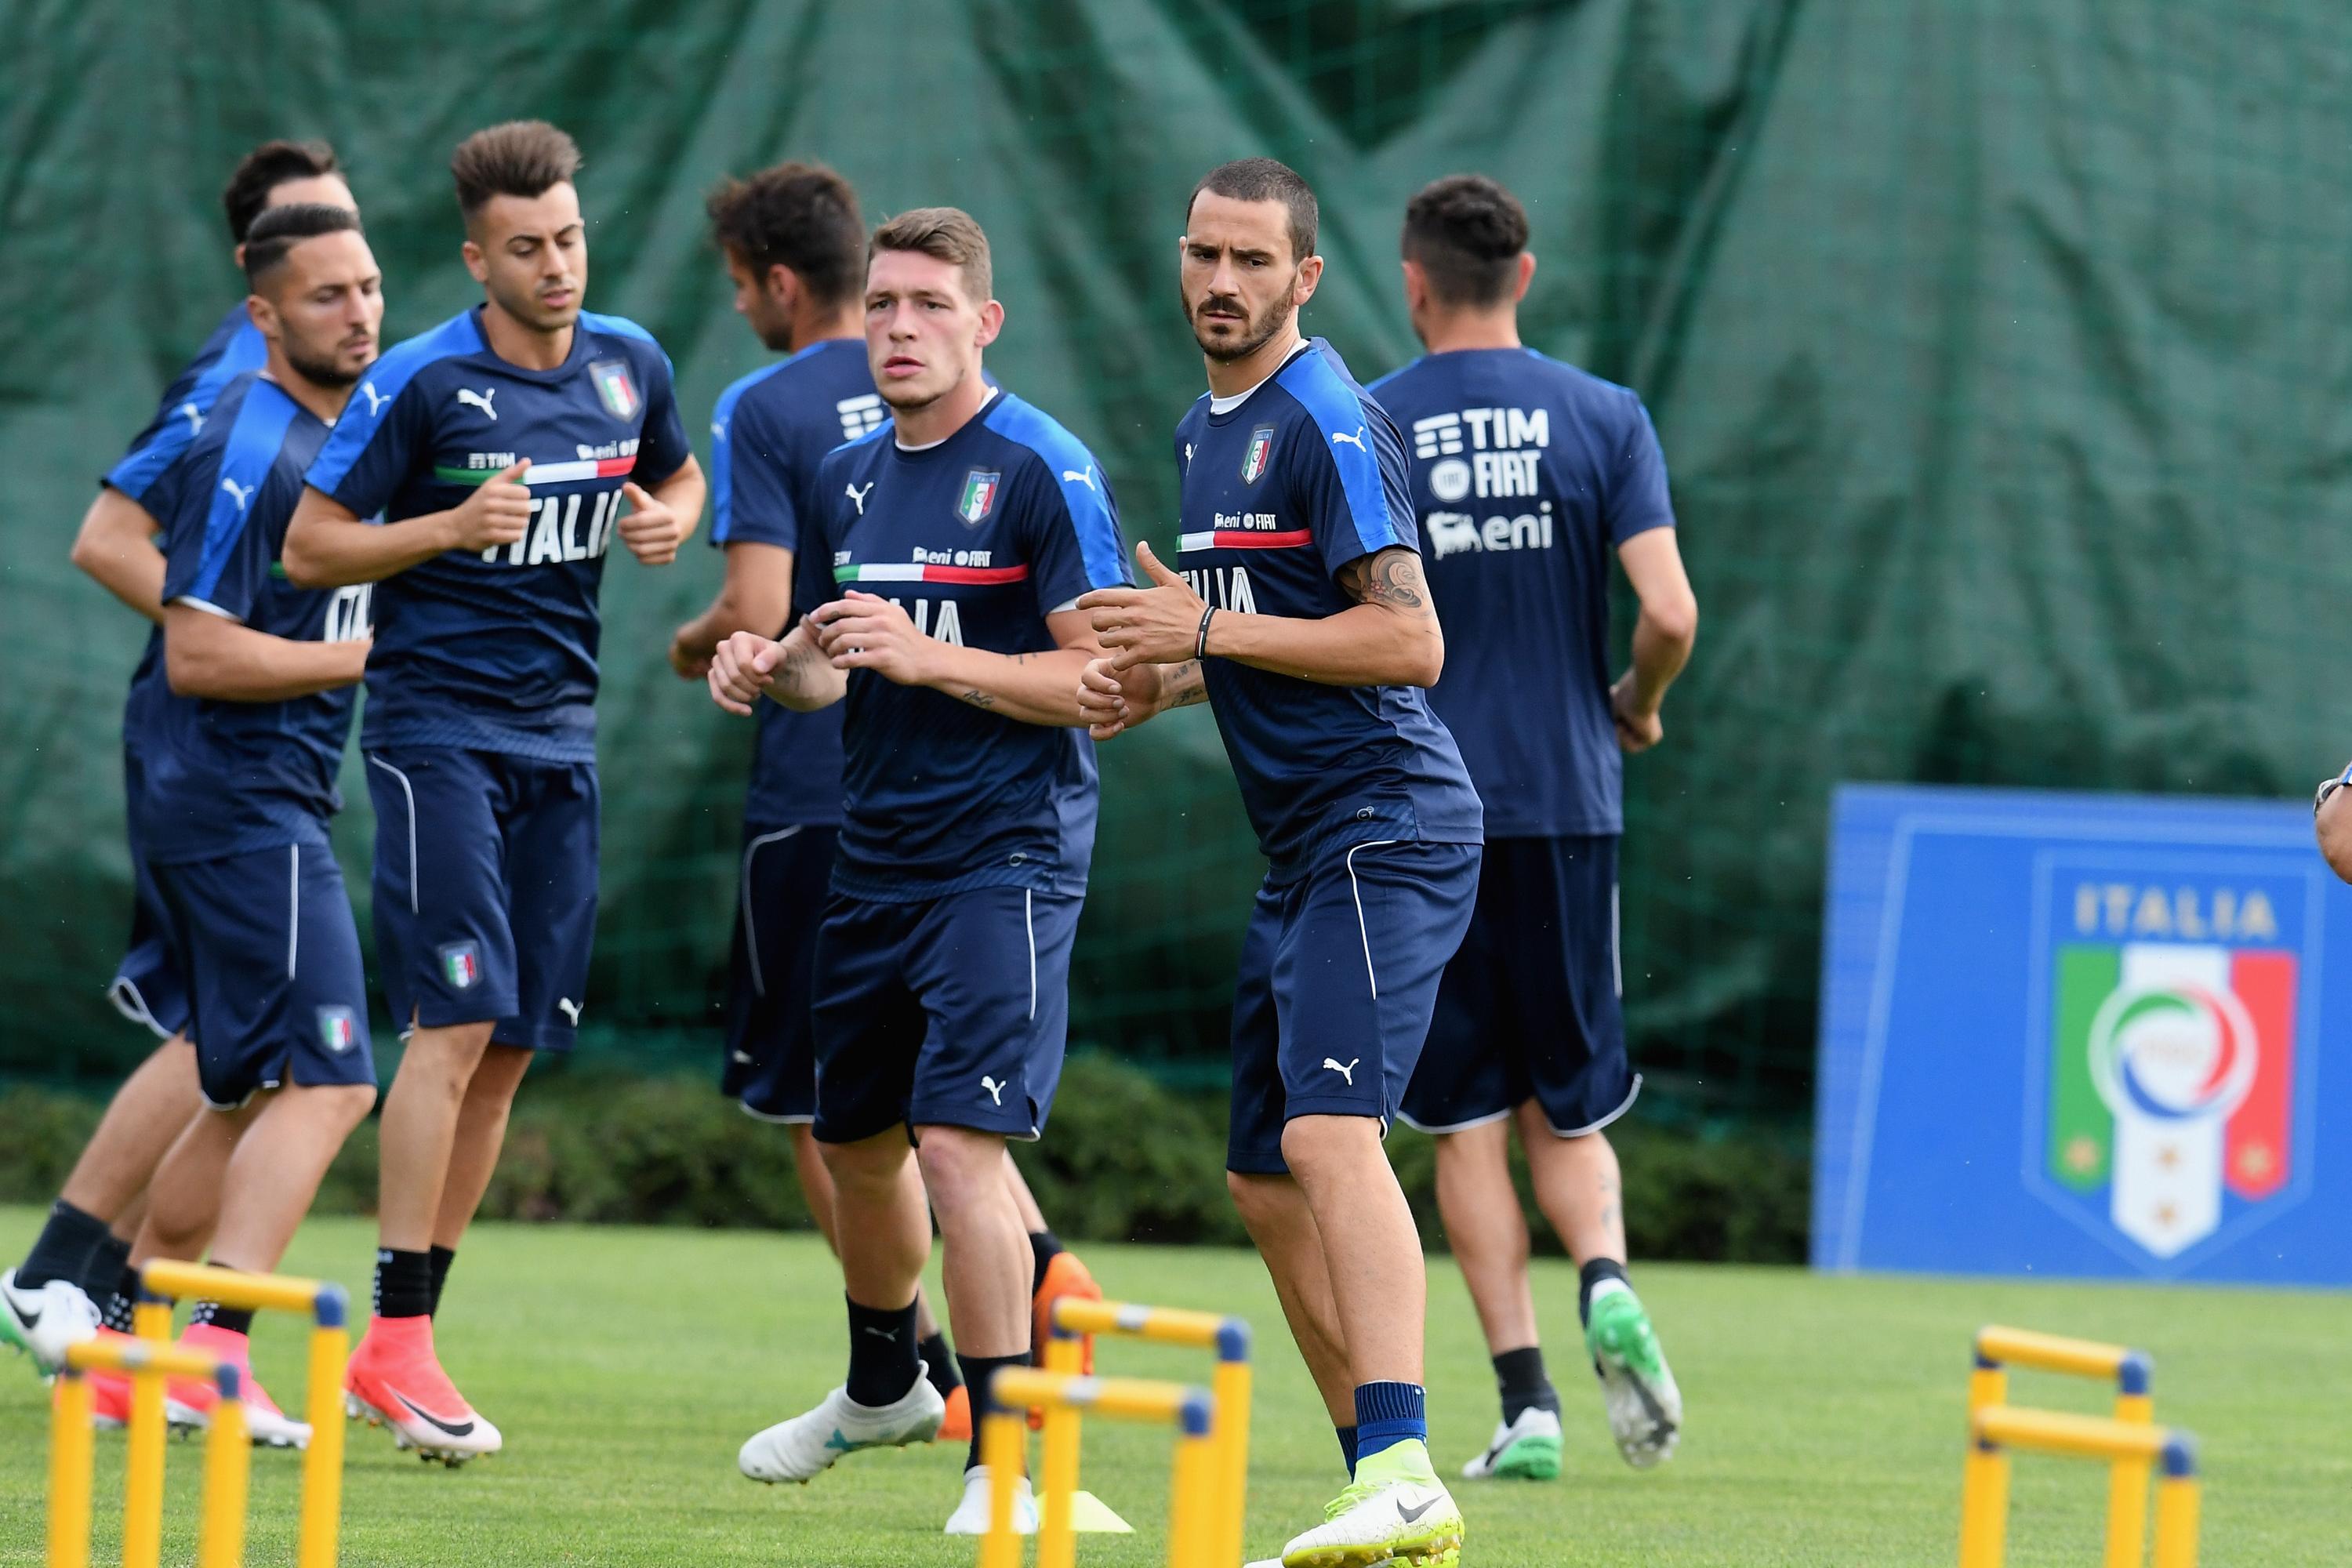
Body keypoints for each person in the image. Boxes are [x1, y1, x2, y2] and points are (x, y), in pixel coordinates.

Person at [1076, 158, 1482, 1568]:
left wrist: (1208, 640)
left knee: (1327, 1134)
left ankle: (1409, 1464)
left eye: (1254, 260)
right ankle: (1379, 1479)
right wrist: (1163, 678)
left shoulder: (1324, 418)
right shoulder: (1205, 428)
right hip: (1303, 842)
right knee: (1261, 1176)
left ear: (1306, 278)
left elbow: (1408, 644)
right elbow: (1261, 635)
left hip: (1390, 819)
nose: (1222, 282)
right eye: (1203, 254)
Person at [285, 120, 705, 1462]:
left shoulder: (633, 365)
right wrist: (446, 529)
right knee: (453, 1023)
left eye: (570, 239)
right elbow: (310, 547)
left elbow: (679, 471)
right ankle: (396, 1337)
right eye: (527, 249)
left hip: (562, 744)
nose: (557, 266)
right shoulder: (421, 382)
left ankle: (409, 1341)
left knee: (515, 1044)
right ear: (477, 259)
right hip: (435, 736)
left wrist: (672, 517)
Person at [705, 206, 1128, 1535]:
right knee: (854, 1147)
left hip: (1005, 859)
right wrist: (775, 666)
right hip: (873, 855)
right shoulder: (851, 478)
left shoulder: (1045, 468)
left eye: (930, 305)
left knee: (958, 1143)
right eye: (883, 303)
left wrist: (927, 653)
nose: (898, 327)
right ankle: (883, 1379)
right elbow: (843, 669)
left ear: (984, 322)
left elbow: (1095, 679)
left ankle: (1003, 1451)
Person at [2, 140, 359, 1380]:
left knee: (236, 1051)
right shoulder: (237, 392)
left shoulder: (341, 391)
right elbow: (108, 538)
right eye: (319, 264)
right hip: (217, 752)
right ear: (258, 280)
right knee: (265, 1052)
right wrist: (244, 642)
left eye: (357, 251)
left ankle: (101, 1304)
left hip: (271, 752)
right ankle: (107, 1301)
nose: (356, 291)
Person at [1369, 173, 1697, 1478]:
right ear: (1527, 273)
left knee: (1465, 1124)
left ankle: (1528, 1408)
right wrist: (1639, 700)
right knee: (1571, 1110)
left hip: (1422, 806)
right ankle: (1605, 1275)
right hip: (1569, 801)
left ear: (1412, 283)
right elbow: (1669, 612)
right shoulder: (1605, 416)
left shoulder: (1376, 421)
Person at [85, 204, 386, 1446]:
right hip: (233, 798)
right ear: (262, 316)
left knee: (248, 1084)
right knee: (333, 1079)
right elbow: (200, 655)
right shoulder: (244, 443)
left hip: (268, 795)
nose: (359, 313)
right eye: (326, 296)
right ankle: (213, 1350)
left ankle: (125, 1350)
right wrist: (375, 656)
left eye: (368, 286)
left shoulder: (343, 433)